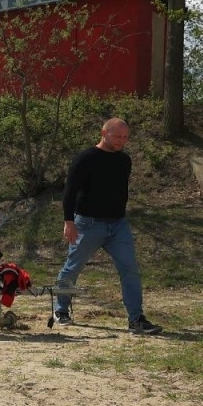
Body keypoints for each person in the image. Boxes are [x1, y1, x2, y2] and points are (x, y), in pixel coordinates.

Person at [53, 118, 162, 334]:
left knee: (130, 269)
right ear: (104, 133)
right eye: (117, 136)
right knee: (73, 267)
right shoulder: (85, 159)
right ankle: (61, 309)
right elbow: (70, 192)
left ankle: (136, 319)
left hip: (117, 225)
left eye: (125, 137)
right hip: (88, 223)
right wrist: (69, 222)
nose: (122, 141)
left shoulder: (124, 160)